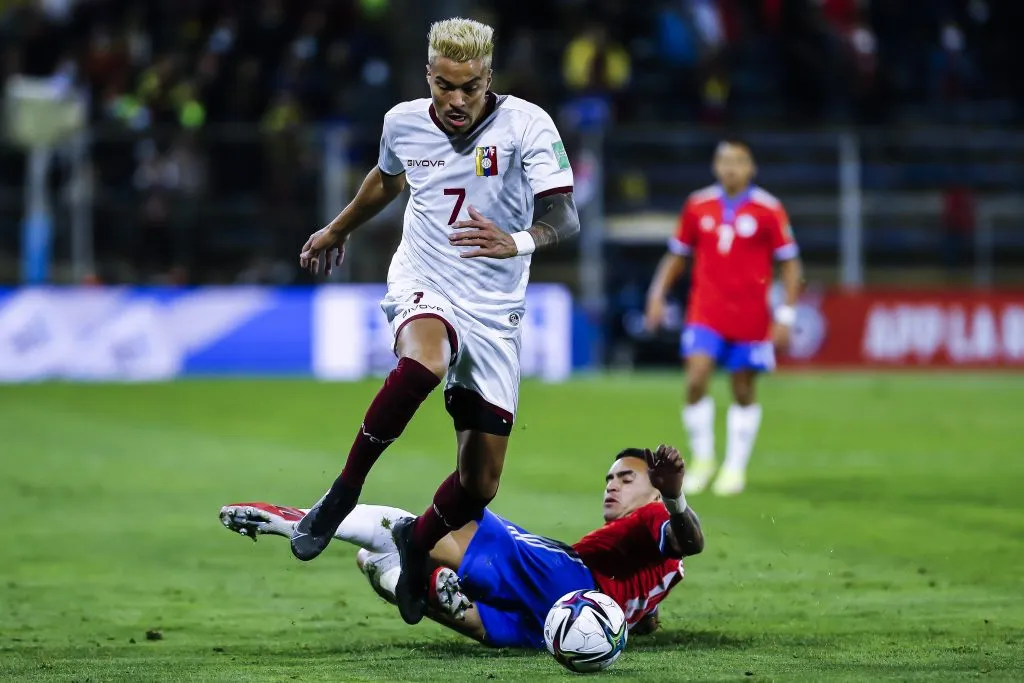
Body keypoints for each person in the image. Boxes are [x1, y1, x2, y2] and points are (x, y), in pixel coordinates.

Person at [290, 17, 581, 627]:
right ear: (429, 75)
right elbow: (388, 178)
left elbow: (565, 214)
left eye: (469, 88)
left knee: (479, 487)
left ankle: (417, 548)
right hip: (426, 280)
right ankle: (343, 493)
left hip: (496, 311)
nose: (455, 100)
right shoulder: (402, 121)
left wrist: (519, 241)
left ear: (488, 78)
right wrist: (336, 228)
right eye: (444, 86)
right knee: (426, 358)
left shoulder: (529, 124)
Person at [219, 445, 704, 648]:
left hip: (570, 585)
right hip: (562, 622)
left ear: (656, 488)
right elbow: (671, 568)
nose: (611, 487)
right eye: (608, 478)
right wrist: (643, 621)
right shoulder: (659, 550)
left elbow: (689, 541)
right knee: (379, 557)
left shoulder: (657, 514)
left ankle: (305, 520)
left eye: (626, 477)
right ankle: (427, 580)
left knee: (419, 537)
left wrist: (677, 495)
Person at [644, 140, 803, 497]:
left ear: (751, 168)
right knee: (696, 378)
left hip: (751, 315)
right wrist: (657, 294)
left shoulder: (768, 209)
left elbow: (790, 263)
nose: (731, 168)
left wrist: (787, 314)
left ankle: (734, 466)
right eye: (724, 161)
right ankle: (703, 459)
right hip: (706, 311)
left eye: (738, 162)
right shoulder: (698, 205)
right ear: (716, 167)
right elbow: (677, 256)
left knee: (743, 388)